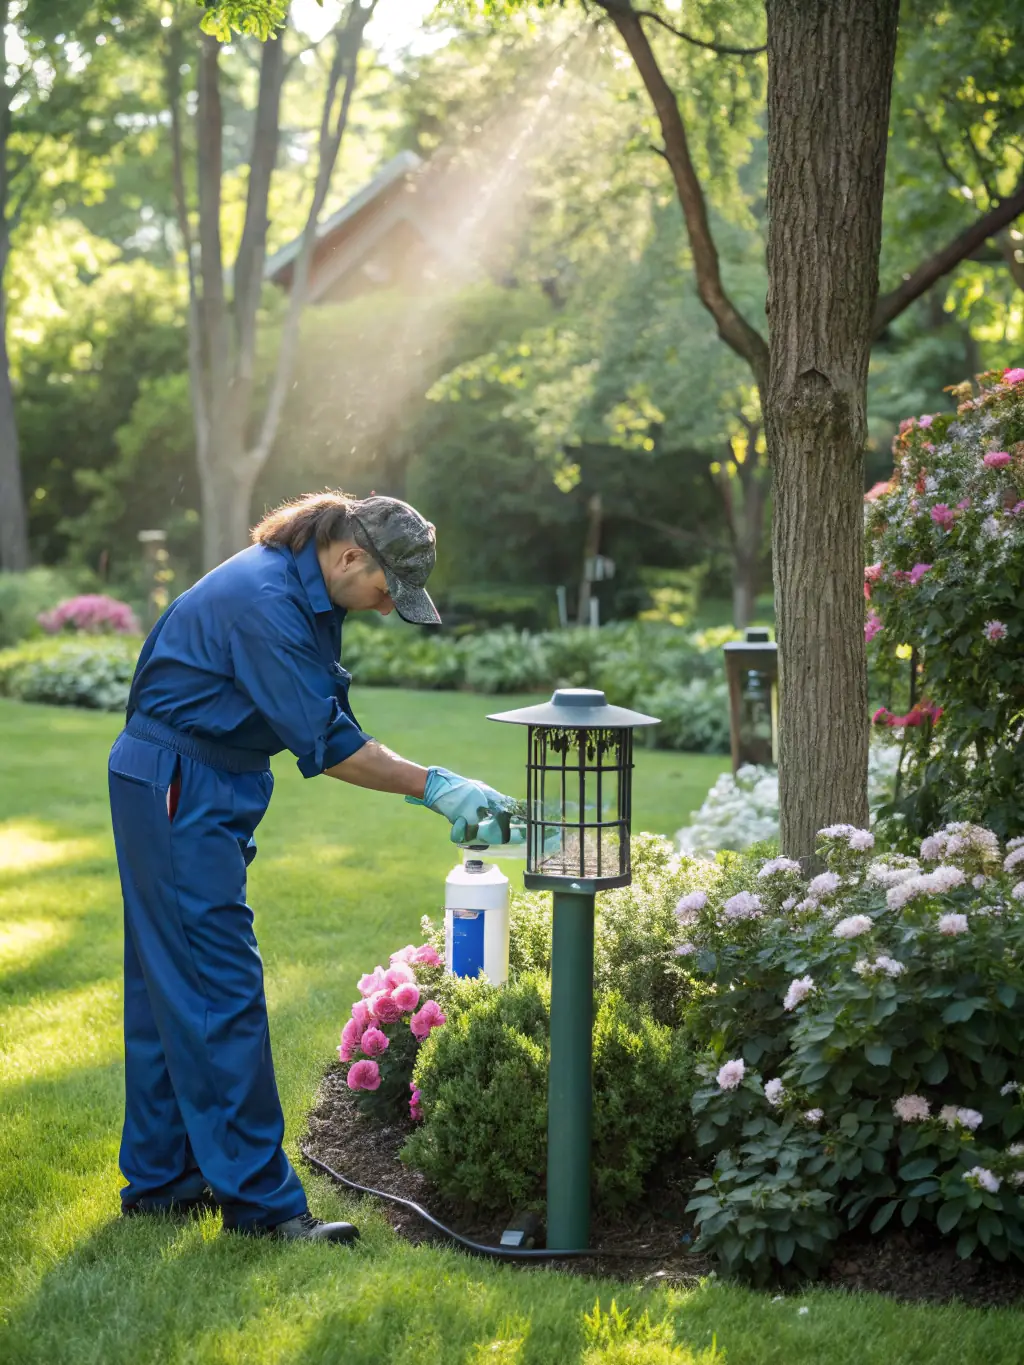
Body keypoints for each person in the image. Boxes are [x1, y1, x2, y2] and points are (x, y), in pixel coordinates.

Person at [109, 491, 518, 1243]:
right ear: (352, 554)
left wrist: (429, 778)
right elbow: (327, 743)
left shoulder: (303, 589)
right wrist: (433, 784)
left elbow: (328, 708)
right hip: (177, 782)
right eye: (386, 590)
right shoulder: (265, 602)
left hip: (184, 778)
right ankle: (264, 1210)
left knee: (167, 984)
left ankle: (164, 1181)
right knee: (218, 988)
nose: (385, 606)